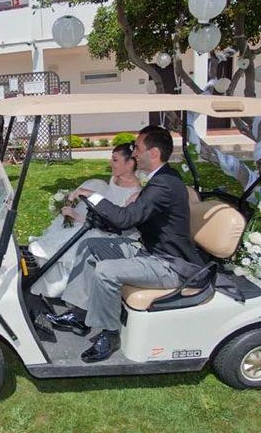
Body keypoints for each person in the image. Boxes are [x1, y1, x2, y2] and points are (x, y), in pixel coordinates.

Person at [43, 125, 204, 363]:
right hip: (150, 250)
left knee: (106, 271)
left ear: (154, 153)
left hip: (169, 264)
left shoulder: (164, 185)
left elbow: (126, 219)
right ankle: (80, 314)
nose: (135, 153)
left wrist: (91, 195)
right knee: (90, 246)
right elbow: (133, 217)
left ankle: (110, 335)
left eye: (138, 148)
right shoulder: (162, 178)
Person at [29, 144, 142, 297]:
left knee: (74, 241)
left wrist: (79, 215)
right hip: (98, 224)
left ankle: (63, 289)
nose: (110, 163)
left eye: (115, 160)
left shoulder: (135, 195)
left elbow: (113, 224)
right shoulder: (115, 179)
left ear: (130, 164)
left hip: (113, 234)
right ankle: (46, 283)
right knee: (64, 233)